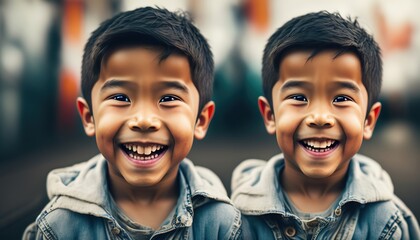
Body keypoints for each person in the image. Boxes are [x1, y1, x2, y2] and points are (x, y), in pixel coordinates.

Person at [23, 7, 241, 240]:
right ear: (89, 117)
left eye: (168, 99)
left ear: (201, 120)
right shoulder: (60, 226)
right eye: (120, 98)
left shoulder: (220, 223)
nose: (144, 120)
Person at [231, 11, 419, 239]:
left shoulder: (387, 223)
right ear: (270, 115)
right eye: (299, 98)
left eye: (341, 99)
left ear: (368, 121)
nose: (320, 117)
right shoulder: (235, 216)